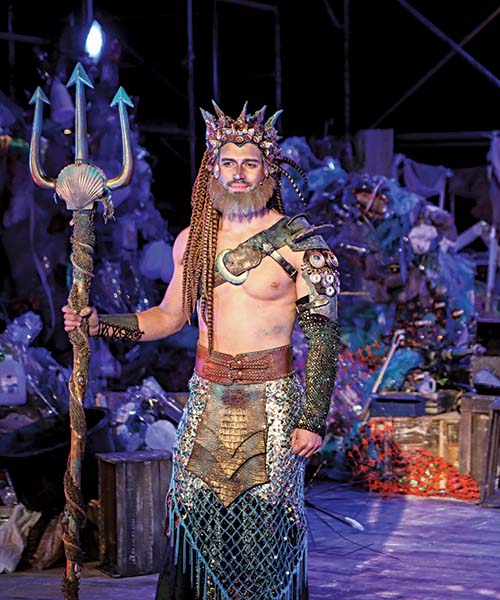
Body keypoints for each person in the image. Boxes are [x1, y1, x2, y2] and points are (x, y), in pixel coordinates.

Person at [63, 102, 342, 599]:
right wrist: (102, 324)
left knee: (266, 525)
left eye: (250, 163)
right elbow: (168, 317)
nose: (238, 173)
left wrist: (313, 418)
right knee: (195, 516)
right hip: (207, 397)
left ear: (268, 169)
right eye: (228, 162)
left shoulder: (302, 244)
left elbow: (323, 337)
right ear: (212, 168)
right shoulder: (193, 242)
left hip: (272, 402)